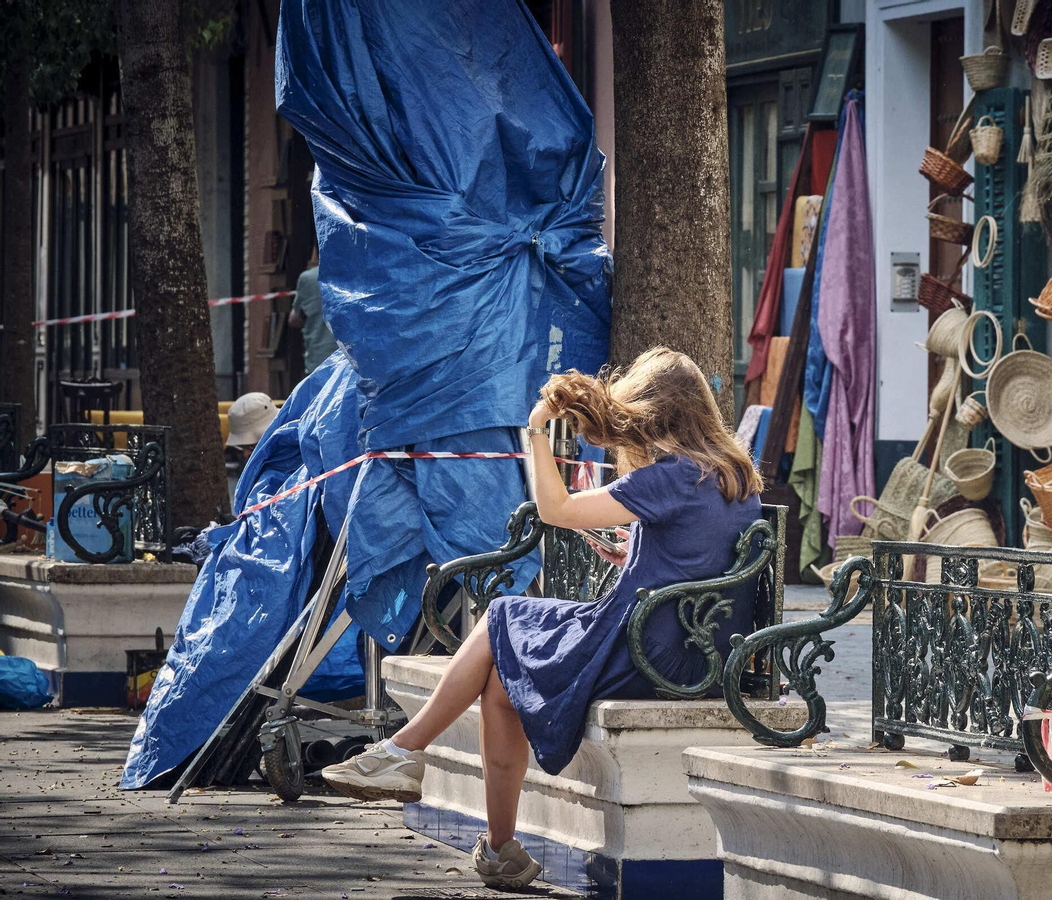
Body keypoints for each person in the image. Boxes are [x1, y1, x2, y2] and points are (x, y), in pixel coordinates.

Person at [320, 348, 763, 890]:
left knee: (502, 614)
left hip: (646, 650)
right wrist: (632, 556)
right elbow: (699, 549)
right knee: (501, 685)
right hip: (688, 647)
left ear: (654, 412)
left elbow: (555, 512)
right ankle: (500, 847)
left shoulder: (673, 476)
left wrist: (536, 432)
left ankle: (405, 750)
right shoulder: (733, 473)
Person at [288, 247, 336, 375]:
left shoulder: (308, 278)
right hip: (351, 361)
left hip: (319, 358)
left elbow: (294, 319)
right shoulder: (357, 275)